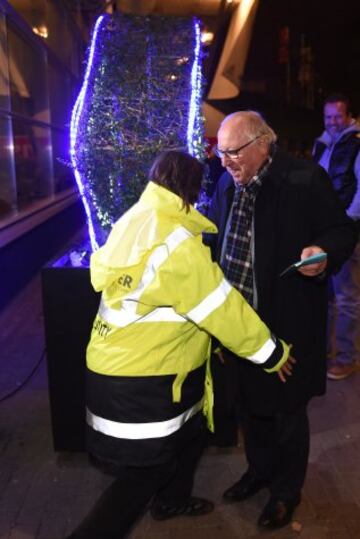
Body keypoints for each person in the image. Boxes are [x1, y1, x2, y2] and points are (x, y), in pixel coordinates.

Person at [67, 149, 294, 539]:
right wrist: (272, 352)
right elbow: (224, 310)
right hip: (144, 381)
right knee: (143, 476)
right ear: (192, 190)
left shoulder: (135, 220)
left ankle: (172, 500)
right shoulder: (178, 244)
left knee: (190, 434)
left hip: (119, 367)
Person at [204, 111, 356, 530]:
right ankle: (259, 472)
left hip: (285, 322)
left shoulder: (304, 180)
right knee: (249, 405)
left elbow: (342, 231)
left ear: (262, 144)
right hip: (237, 324)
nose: (224, 162)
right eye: (220, 153)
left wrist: (322, 253)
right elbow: (216, 236)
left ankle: (286, 492)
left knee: (288, 410)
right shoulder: (224, 183)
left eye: (232, 152)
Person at [313, 93, 360, 380]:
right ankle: (329, 352)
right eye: (328, 116)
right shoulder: (324, 145)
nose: (332, 122)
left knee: (346, 297)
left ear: (348, 116)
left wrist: (347, 223)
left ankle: (347, 357)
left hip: (347, 228)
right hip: (327, 229)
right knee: (329, 296)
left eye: (337, 116)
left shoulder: (355, 143)